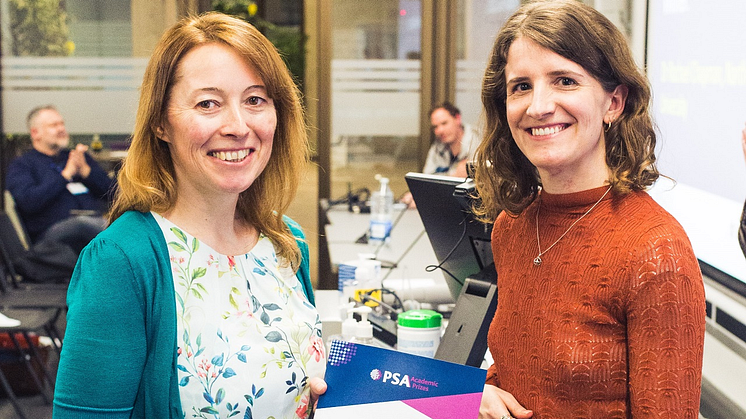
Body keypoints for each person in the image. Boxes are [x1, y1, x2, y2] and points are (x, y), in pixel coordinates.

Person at [53, 13, 326, 419]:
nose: (238, 125)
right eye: (208, 104)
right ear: (161, 122)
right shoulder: (121, 262)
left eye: (255, 99)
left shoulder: (287, 241)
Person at [472, 1, 706, 418]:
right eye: (520, 86)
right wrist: (484, 393)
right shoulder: (512, 226)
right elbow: (521, 373)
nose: (538, 106)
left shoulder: (655, 250)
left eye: (564, 81)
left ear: (614, 102)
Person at [6, 105, 116, 254]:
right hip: (51, 237)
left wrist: (87, 172)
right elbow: (29, 202)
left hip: (94, 225)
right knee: (82, 224)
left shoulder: (76, 157)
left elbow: (113, 194)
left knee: (115, 224)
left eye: (62, 124)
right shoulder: (23, 165)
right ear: (35, 133)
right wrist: (65, 176)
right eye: (53, 125)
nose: (61, 129)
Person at [401, 102, 480, 207]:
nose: (440, 131)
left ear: (457, 119)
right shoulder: (438, 147)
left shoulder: (479, 142)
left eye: (444, 123)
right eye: (435, 127)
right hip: (444, 205)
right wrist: (418, 196)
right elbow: (426, 182)